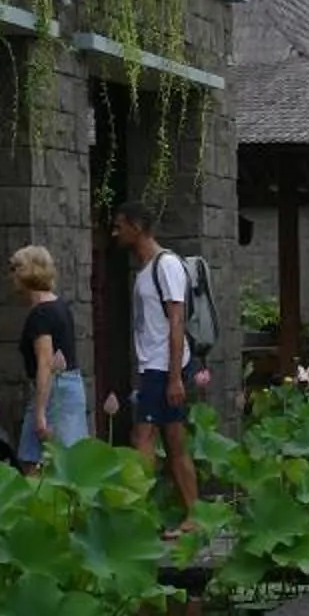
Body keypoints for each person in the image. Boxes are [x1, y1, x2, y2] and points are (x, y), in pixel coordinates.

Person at [111, 201, 201, 532]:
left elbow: (176, 320)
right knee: (174, 440)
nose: (115, 232)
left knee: (143, 436)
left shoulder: (167, 265)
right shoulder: (146, 270)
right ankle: (193, 514)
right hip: (154, 365)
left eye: (119, 225)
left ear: (137, 227)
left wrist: (174, 377)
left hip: (163, 367)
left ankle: (137, 515)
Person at [8, 244, 85, 471]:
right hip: (70, 386)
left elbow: (45, 363)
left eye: (15, 269)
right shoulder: (60, 306)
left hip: (54, 390)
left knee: (39, 463)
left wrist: (40, 412)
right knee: (46, 460)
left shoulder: (40, 314)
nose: (11, 276)